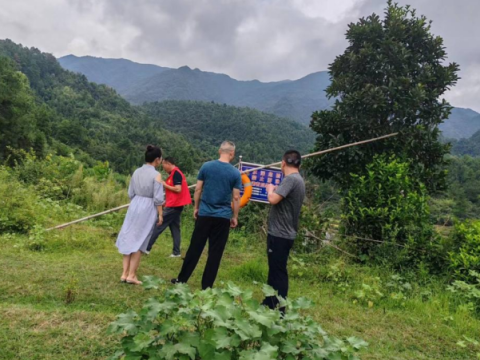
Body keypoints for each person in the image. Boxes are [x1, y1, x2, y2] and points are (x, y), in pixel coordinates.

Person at [171, 141, 242, 289]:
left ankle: (182, 279)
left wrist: (196, 207)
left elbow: (197, 190)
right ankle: (207, 286)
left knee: (195, 247)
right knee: (215, 253)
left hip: (205, 214)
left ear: (219, 151)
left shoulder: (206, 166)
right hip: (222, 218)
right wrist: (234, 216)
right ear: (232, 154)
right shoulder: (235, 173)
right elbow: (236, 198)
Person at [262, 150, 305, 311]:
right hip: (285, 233)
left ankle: (279, 308)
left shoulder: (290, 179)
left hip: (280, 234)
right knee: (275, 269)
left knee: (278, 271)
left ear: (283, 163)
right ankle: (269, 301)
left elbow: (273, 199)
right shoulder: (299, 180)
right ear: (299, 164)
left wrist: (270, 189)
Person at [115, 145, 165, 285]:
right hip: (147, 207)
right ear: (157, 159)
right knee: (140, 239)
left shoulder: (136, 171)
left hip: (135, 204)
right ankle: (132, 275)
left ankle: (124, 274)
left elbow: (130, 193)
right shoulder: (156, 175)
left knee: (129, 236)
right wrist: (160, 214)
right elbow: (158, 198)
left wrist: (137, 202)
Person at [146, 157, 192, 257]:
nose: (163, 168)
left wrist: (164, 184)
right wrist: (166, 201)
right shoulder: (173, 174)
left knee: (158, 224)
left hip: (174, 206)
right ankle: (176, 252)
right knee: (175, 229)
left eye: (164, 166)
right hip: (175, 204)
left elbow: (178, 189)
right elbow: (174, 193)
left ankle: (147, 248)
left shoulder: (176, 173)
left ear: (168, 164)